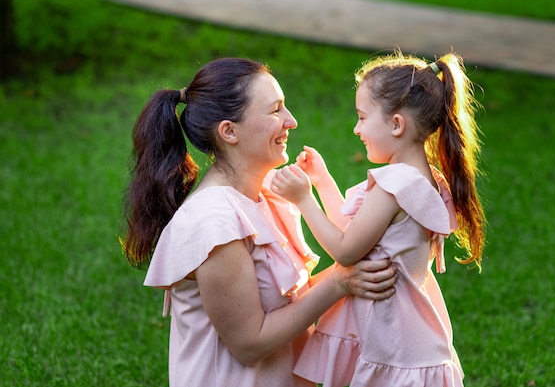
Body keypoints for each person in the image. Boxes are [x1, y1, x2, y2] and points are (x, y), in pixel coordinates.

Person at [120, 57, 398, 387]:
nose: (291, 121)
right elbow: (250, 343)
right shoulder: (212, 223)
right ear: (229, 131)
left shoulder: (265, 196)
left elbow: (291, 302)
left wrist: (353, 275)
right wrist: (340, 282)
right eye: (275, 110)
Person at [270, 50, 486, 386]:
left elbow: (346, 250)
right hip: (401, 334)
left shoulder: (394, 186)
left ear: (397, 125)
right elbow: (359, 235)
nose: (357, 129)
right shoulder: (425, 179)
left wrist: (303, 199)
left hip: (395, 342)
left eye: (362, 117)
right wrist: (323, 182)